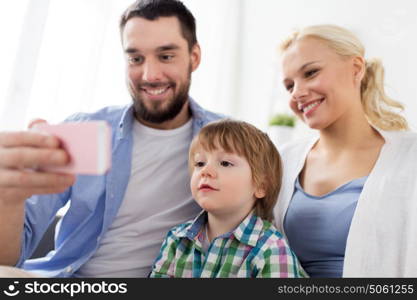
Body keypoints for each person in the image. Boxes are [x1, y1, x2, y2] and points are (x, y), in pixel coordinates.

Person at [0, 0, 223, 277]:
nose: (150, 75)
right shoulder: (85, 131)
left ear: (194, 57)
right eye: (135, 58)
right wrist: (8, 197)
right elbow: (7, 258)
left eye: (166, 56)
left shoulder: (228, 141)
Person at [274, 24, 417, 277]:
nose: (297, 92)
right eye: (289, 86)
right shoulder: (281, 162)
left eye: (311, 72)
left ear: (356, 68)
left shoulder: (409, 157)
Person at [149, 119, 307, 277]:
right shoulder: (177, 239)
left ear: (261, 186)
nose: (206, 170)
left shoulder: (271, 249)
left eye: (225, 163)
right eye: (199, 163)